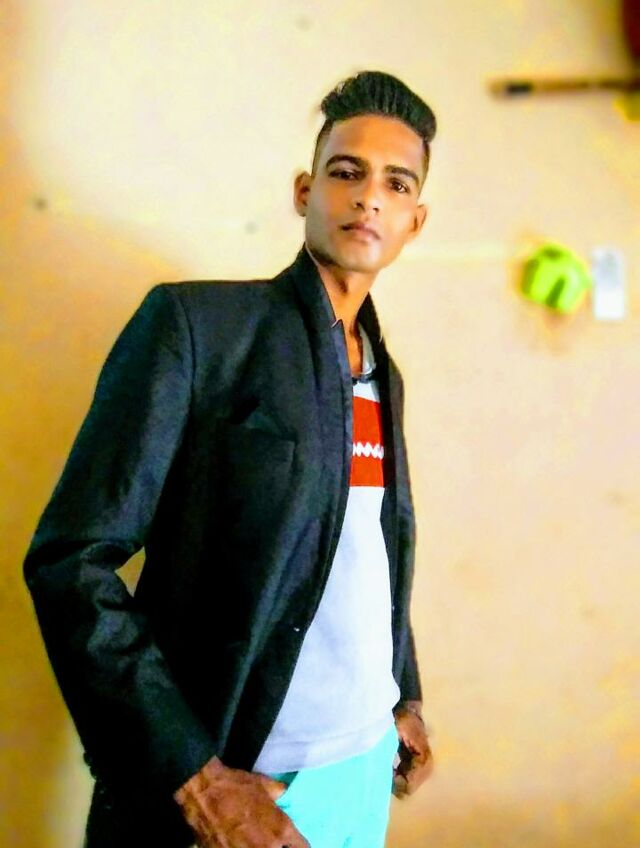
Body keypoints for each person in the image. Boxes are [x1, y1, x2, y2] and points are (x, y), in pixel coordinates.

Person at [23, 69, 437, 848]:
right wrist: (195, 777)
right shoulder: (200, 329)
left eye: (396, 183)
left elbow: (367, 547)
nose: (368, 198)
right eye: (346, 172)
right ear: (305, 191)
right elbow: (69, 561)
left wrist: (402, 694)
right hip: (246, 789)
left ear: (415, 221)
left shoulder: (385, 375)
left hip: (362, 771)